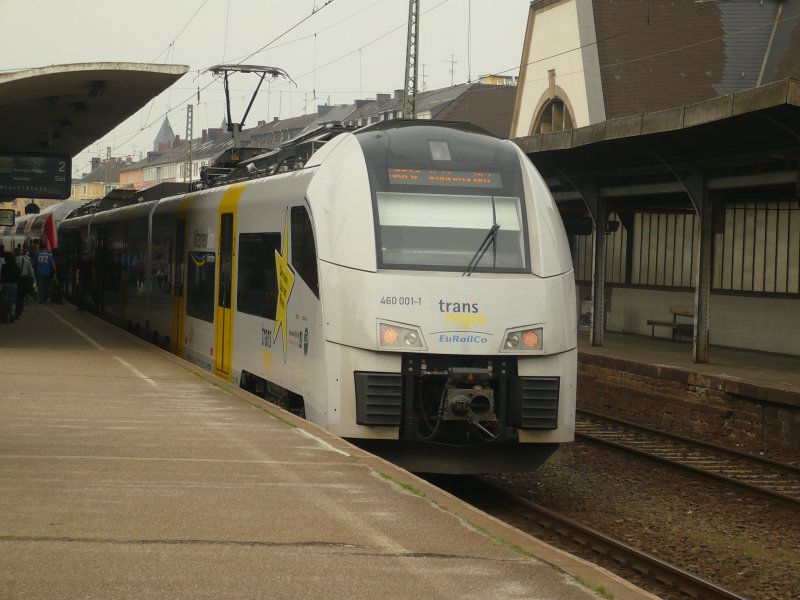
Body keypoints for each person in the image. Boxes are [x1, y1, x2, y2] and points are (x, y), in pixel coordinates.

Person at [14, 247, 35, 317]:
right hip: (23, 280)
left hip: (15, 280)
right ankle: (19, 312)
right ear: (20, 252)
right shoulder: (27, 260)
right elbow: (31, 273)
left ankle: (13, 311)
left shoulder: (13, 260)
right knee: (21, 297)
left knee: (14, 297)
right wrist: (32, 279)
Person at [0, 251, 20, 323]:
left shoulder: (4, 266)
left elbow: (3, 277)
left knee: (5, 301)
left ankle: (6, 317)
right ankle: (12, 314)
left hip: (6, 284)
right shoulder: (16, 266)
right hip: (15, 285)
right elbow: (18, 276)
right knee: (13, 301)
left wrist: (1, 285)